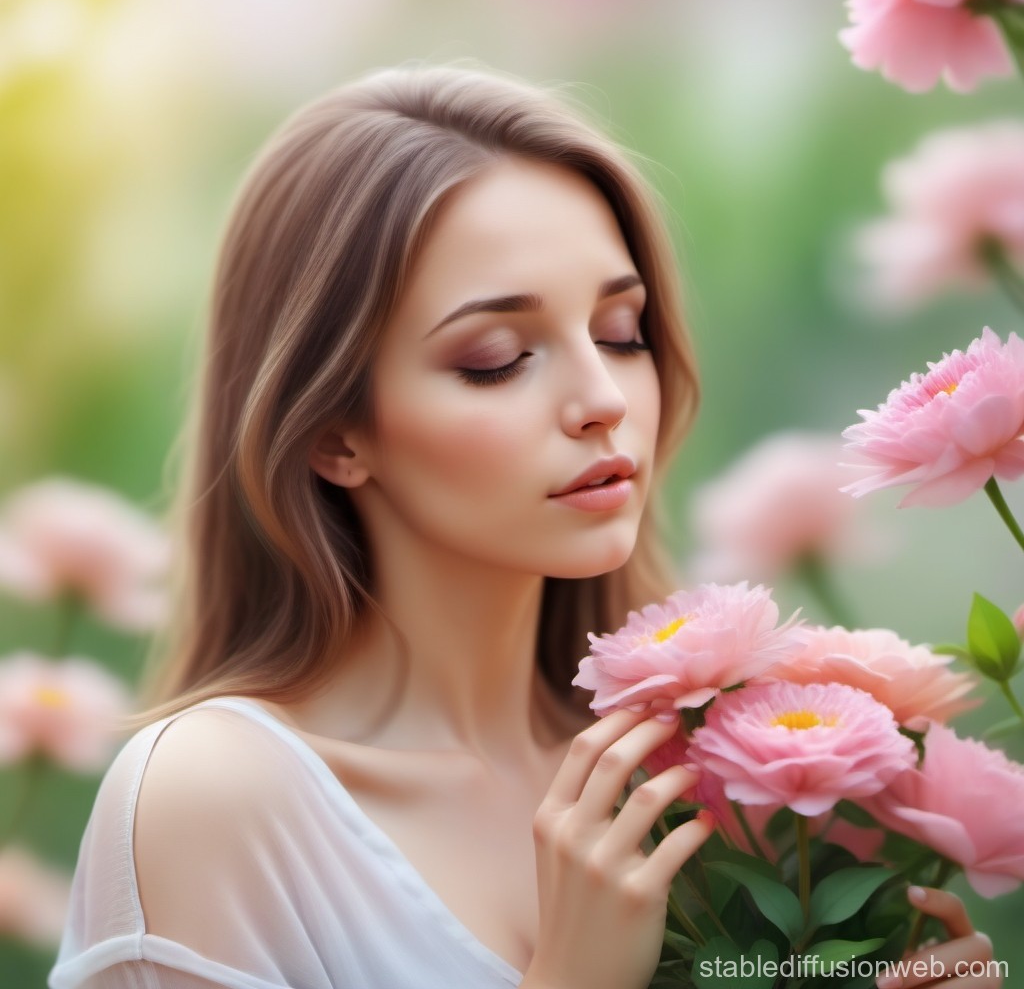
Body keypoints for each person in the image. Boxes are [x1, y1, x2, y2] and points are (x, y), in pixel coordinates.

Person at [48, 65, 1002, 989]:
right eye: (497, 358)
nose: (602, 398)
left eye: (623, 333)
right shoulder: (211, 798)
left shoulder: (714, 773)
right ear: (336, 436)